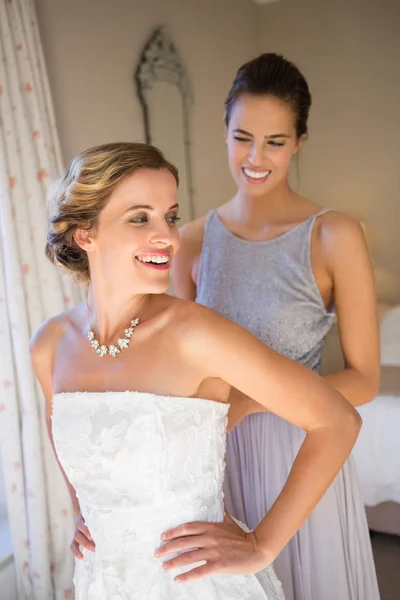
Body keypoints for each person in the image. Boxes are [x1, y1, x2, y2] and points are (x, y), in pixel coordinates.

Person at [31, 142, 361, 600]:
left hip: (197, 584)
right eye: (140, 218)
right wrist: (86, 514)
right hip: (104, 581)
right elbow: (68, 438)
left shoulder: (197, 334)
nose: (167, 236)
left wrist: (261, 546)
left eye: (170, 215)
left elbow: (338, 420)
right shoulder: (49, 346)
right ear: (85, 234)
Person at [173, 54, 381, 600]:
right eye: (243, 137)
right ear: (223, 134)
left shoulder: (334, 235)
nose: (256, 157)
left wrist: (252, 400)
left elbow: (363, 380)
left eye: (275, 141)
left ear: (299, 142)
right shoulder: (190, 243)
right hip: (217, 458)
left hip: (303, 451)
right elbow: (181, 372)